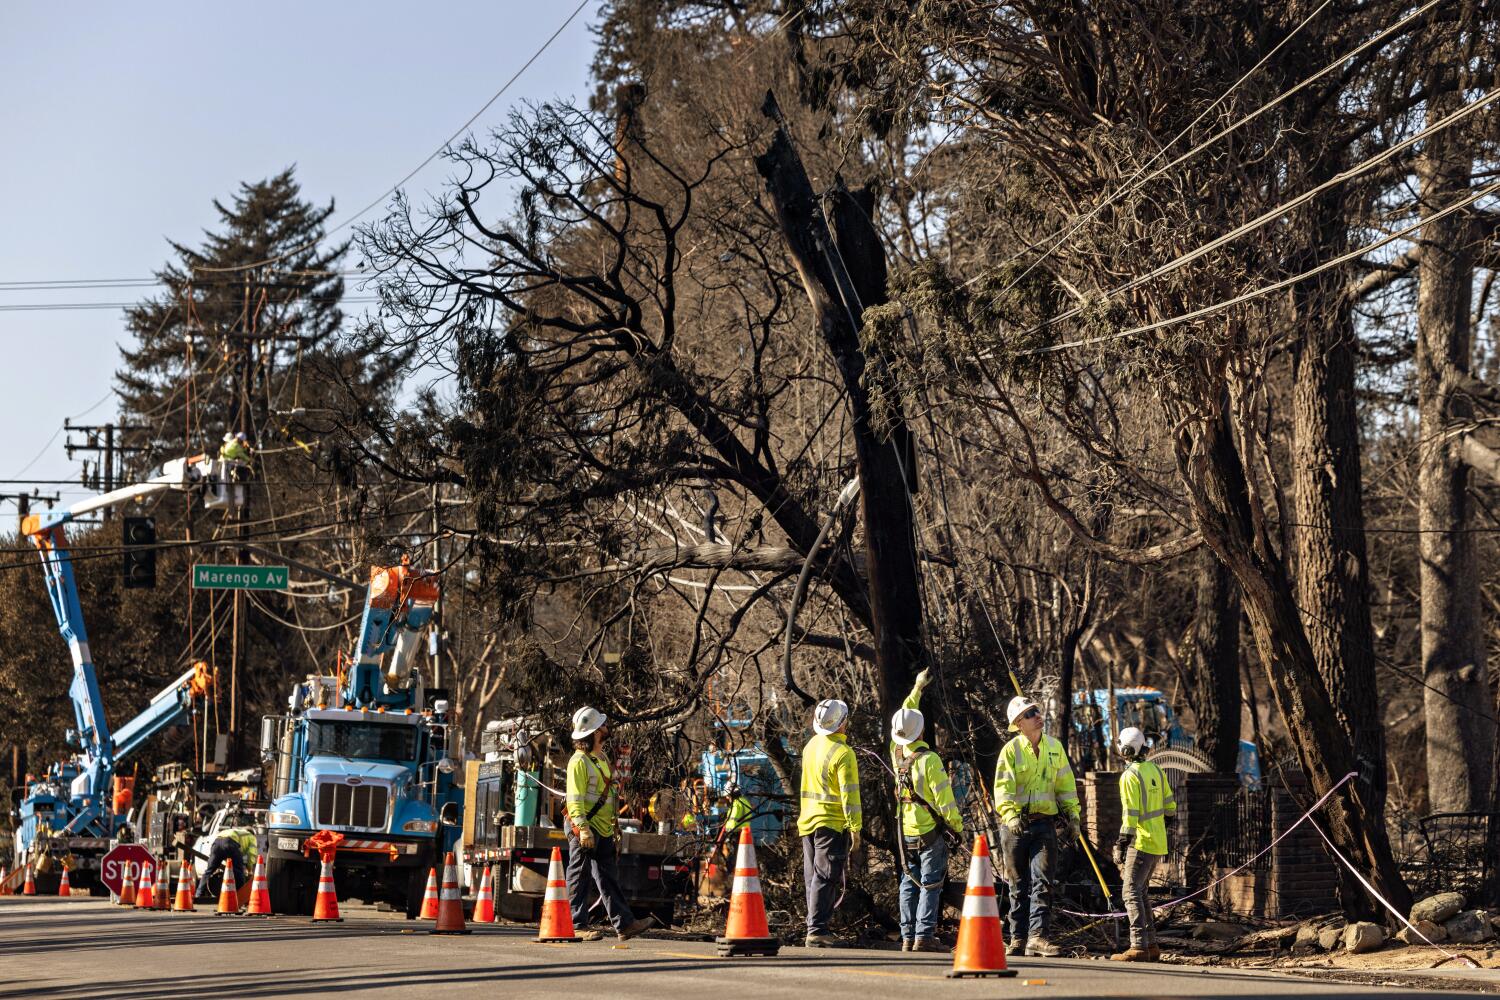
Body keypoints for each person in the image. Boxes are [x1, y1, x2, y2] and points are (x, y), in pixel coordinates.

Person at [993, 695, 1080, 958]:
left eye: (1037, 711)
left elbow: (1065, 785)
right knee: (1018, 885)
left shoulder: (1055, 748)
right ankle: (1017, 938)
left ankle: (1037, 937)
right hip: (1015, 828)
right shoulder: (1011, 751)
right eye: (1030, 714)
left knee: (1043, 882)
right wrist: (1011, 816)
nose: (1037, 716)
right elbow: (1003, 789)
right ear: (1019, 723)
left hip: (1044, 825)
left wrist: (1073, 815)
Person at [889, 668, 963, 953]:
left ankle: (907, 937)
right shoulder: (930, 760)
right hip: (929, 831)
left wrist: (917, 688)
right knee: (930, 884)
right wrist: (957, 826)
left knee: (909, 881)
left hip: (905, 829)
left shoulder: (896, 753)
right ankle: (924, 936)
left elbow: (905, 716)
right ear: (921, 731)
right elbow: (945, 799)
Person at [564, 706, 653, 942]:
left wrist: (614, 826)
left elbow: (608, 795)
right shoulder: (578, 762)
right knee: (579, 875)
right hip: (585, 827)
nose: (606, 727)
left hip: (602, 828)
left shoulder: (601, 759)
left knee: (608, 878)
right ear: (594, 732)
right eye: (602, 725)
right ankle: (575, 925)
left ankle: (624, 925)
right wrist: (582, 829)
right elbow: (575, 800)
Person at [797, 698, 861, 947]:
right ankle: (817, 930)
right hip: (831, 823)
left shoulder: (811, 746)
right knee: (824, 876)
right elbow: (850, 796)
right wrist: (856, 829)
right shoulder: (844, 754)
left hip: (808, 821)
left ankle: (814, 926)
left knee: (812, 877)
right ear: (843, 723)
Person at [1111, 726, 1176, 962]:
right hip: (1157, 841)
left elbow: (1130, 815)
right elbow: (1170, 808)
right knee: (1141, 892)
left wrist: (1121, 842)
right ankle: (1150, 945)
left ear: (1126, 749)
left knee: (1130, 892)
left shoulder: (1129, 776)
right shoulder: (1156, 771)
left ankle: (1138, 945)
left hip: (1140, 841)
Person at [202, 821, 258, 898]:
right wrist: (250, 869)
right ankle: (240, 897)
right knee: (239, 871)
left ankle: (198, 894)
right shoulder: (251, 836)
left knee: (209, 871)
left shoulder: (236, 831)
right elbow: (252, 854)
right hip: (230, 843)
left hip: (217, 842)